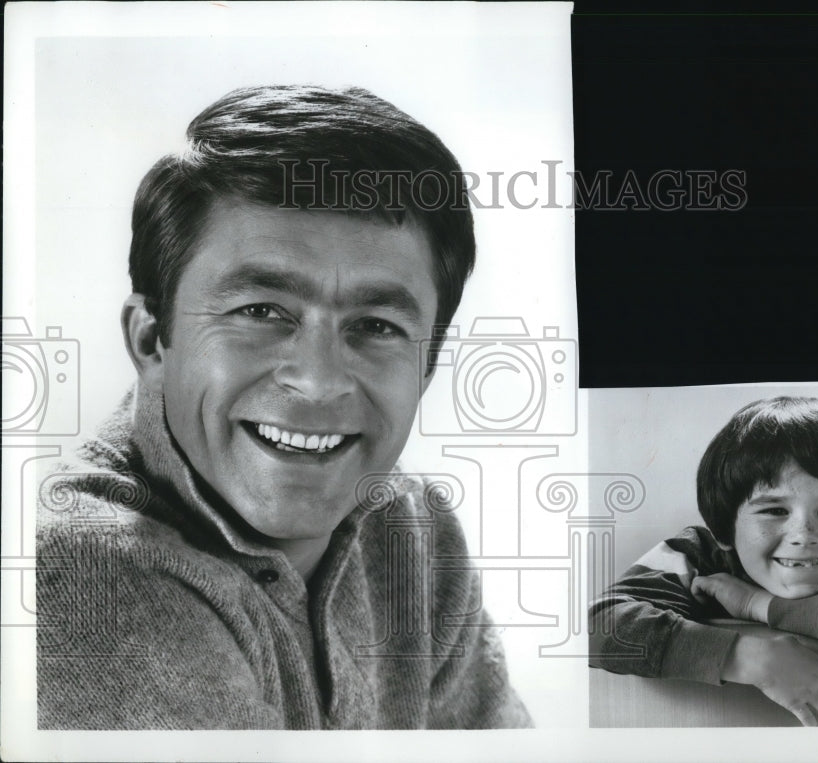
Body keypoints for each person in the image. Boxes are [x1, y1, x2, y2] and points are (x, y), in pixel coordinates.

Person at [37, 85, 531, 729]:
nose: (320, 382)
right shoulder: (89, 568)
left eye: (377, 325)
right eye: (261, 312)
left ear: (429, 364)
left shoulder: (414, 530)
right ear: (151, 337)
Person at [588, 396, 818, 727]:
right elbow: (596, 629)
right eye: (775, 510)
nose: (804, 533)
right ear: (724, 531)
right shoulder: (699, 554)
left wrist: (758, 606)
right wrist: (750, 659)